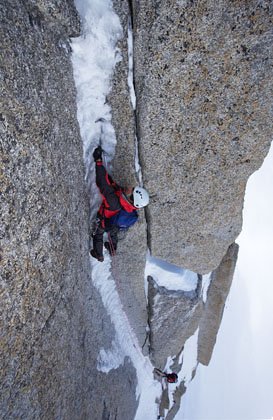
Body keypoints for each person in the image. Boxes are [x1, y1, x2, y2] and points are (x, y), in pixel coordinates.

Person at [90, 146, 149, 262]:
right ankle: (113, 250)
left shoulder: (114, 201)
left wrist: (98, 161)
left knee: (98, 233)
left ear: (131, 199)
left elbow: (103, 184)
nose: (130, 187)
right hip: (115, 223)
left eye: (132, 190)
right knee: (113, 233)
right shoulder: (129, 207)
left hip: (106, 219)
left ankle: (99, 254)